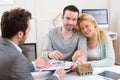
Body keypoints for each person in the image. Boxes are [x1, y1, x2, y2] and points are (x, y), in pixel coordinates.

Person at [0, 8, 66, 80]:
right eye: (29, 29)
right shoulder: (17, 59)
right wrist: (57, 76)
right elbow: (16, 65)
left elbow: (14, 70)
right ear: (20, 34)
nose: (28, 33)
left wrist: (34, 65)